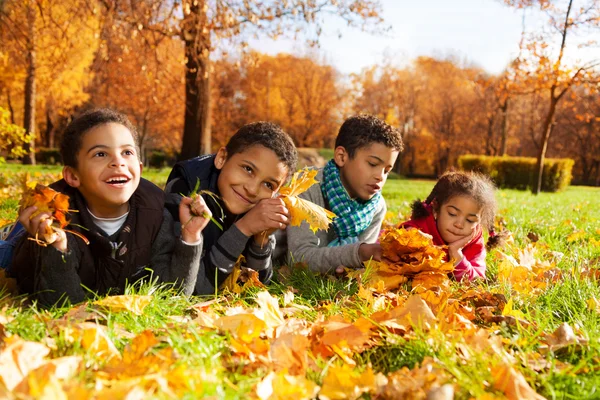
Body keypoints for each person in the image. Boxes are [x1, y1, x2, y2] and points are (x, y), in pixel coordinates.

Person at [12, 108, 210, 306]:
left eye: (127, 152)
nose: (118, 162)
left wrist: (190, 238)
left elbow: (173, 296)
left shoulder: (155, 216)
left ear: (140, 170)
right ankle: (11, 234)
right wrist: (56, 247)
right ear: (73, 176)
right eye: (100, 154)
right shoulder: (57, 219)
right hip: (18, 249)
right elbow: (61, 306)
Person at [165, 122, 298, 294]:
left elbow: (258, 287)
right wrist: (243, 229)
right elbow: (190, 289)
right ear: (222, 158)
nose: (252, 189)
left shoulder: (261, 203)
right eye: (248, 169)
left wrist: (261, 239)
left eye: (268, 184)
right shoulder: (186, 190)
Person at [279, 114, 403, 273]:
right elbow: (298, 259)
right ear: (341, 157)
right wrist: (358, 253)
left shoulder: (376, 207)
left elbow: (363, 266)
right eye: (372, 164)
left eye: (387, 170)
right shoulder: (307, 187)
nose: (380, 176)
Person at [400, 170, 505, 281]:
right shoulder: (417, 230)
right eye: (452, 214)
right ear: (436, 209)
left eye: (470, 220)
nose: (459, 224)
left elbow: (477, 281)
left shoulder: (474, 241)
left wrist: (456, 255)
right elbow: (386, 241)